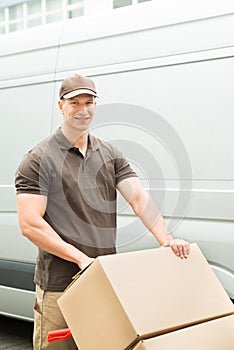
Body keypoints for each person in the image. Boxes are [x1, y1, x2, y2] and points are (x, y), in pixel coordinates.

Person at [15, 74, 190, 350]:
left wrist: (165, 238)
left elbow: (139, 199)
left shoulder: (110, 153)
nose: (83, 109)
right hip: (60, 284)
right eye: (75, 102)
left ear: (96, 105)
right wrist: (81, 259)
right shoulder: (39, 159)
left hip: (104, 279)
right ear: (61, 106)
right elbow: (30, 224)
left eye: (89, 102)